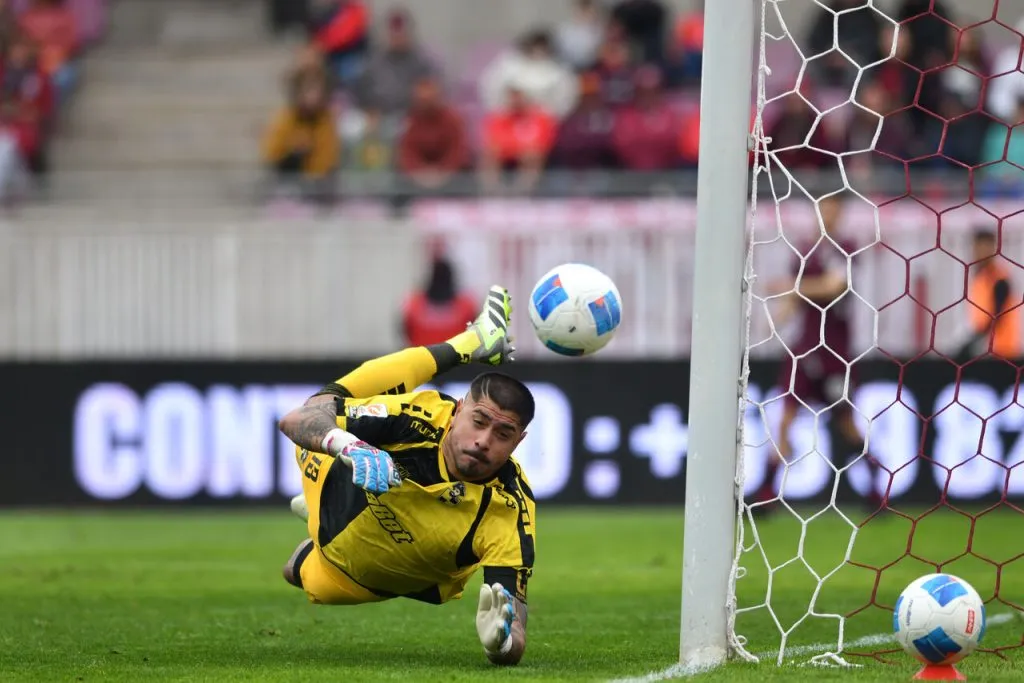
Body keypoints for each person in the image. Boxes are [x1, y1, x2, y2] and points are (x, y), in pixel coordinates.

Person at [278, 285, 533, 666]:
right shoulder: (420, 416)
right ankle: (470, 342)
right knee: (321, 406)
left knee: (296, 572)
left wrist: (502, 645)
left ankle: (310, 534)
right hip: (335, 483)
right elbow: (299, 418)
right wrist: (348, 446)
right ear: (458, 409)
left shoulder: (510, 507)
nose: (483, 441)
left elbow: (516, 627)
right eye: (478, 421)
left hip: (365, 579)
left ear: (519, 442)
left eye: (503, 434)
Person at [756, 193, 882, 512]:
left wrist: (787, 286)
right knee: (784, 418)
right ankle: (768, 492)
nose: (827, 214)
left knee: (846, 425)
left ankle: (874, 486)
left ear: (840, 214)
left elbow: (832, 286)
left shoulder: (847, 250)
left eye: (833, 209)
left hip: (835, 354)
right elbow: (798, 296)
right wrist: (776, 322)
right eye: (823, 208)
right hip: (804, 349)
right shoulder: (805, 251)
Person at [955, 230, 1020, 362]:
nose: (981, 252)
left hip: (1002, 351)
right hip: (985, 350)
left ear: (994, 249)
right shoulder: (979, 276)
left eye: (986, 247)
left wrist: (974, 341)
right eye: (978, 247)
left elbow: (997, 315)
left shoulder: (1000, 279)